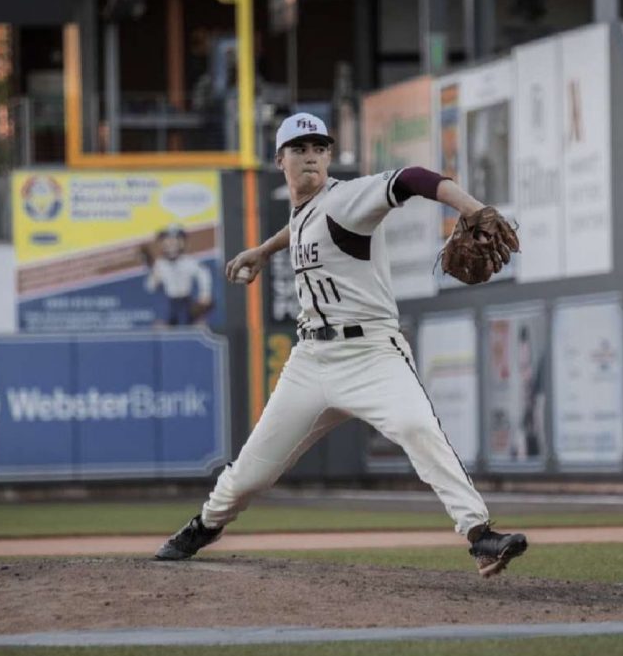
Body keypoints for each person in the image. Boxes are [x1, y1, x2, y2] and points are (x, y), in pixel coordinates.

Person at [154, 113, 528, 578]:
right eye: (299, 149)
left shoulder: (350, 197)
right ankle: (203, 526)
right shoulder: (306, 211)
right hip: (311, 361)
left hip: (373, 353)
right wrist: (262, 251)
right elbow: (303, 228)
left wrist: (472, 208)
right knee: (252, 474)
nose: (310, 155)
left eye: (318, 148)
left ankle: (480, 535)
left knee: (417, 427)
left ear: (329, 156)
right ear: (280, 160)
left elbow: (410, 179)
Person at [142, 224, 213, 327]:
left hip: (186, 301)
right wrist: (154, 278)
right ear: (162, 244)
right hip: (169, 303)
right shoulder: (160, 264)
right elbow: (150, 287)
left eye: (175, 241)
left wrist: (205, 293)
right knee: (164, 325)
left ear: (182, 243)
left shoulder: (189, 262)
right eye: (167, 241)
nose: (171, 244)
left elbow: (203, 274)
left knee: (194, 323)